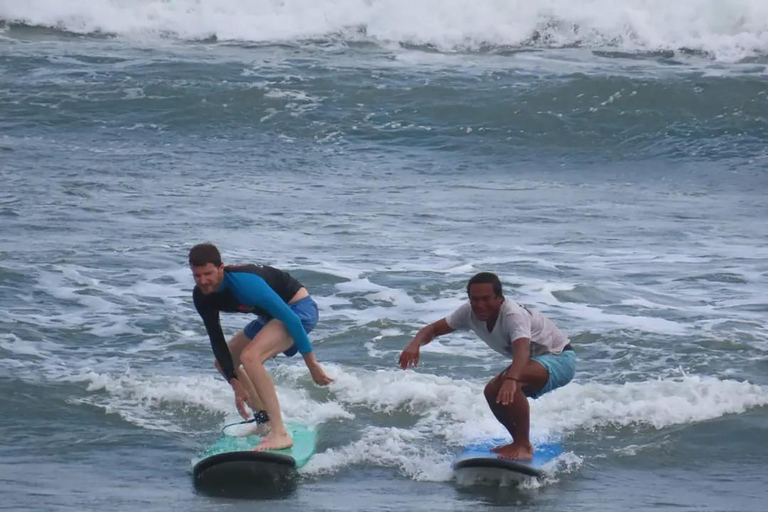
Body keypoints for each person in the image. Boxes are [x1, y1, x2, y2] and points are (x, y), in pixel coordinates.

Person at [398, 272, 575, 460]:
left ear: (499, 298)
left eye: (486, 299)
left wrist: (512, 379)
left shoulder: (512, 314)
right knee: (492, 391)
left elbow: (522, 350)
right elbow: (433, 329)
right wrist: (415, 343)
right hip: (532, 363)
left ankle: (523, 445)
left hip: (560, 359)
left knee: (508, 383)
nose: (480, 305)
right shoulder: (468, 312)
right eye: (474, 299)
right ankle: (518, 442)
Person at [189, 243, 333, 451]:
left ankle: (280, 433)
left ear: (221, 267)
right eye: (197, 275)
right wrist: (234, 382)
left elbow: (291, 320)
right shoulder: (202, 296)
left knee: (250, 357)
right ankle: (263, 421)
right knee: (223, 362)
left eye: (208, 273)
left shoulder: (245, 284)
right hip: (269, 317)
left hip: (298, 311)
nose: (203, 281)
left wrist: (312, 364)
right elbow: (216, 338)